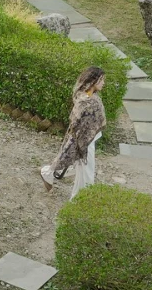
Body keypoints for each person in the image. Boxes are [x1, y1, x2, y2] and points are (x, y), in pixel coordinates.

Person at [41, 66, 107, 200]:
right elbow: (76, 121)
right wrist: (81, 140)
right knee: (86, 170)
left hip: (89, 138)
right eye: (101, 80)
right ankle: (79, 200)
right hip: (84, 141)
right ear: (93, 81)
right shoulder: (86, 100)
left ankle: (48, 173)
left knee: (76, 164)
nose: (103, 83)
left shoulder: (91, 96)